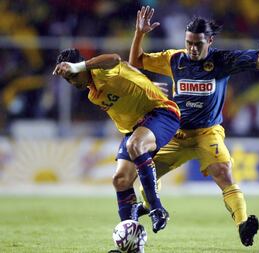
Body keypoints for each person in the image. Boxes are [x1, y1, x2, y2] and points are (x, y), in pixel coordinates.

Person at [129, 4, 259, 247]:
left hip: (207, 133)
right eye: (188, 42)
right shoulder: (175, 59)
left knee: (223, 172)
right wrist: (140, 33)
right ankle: (149, 205)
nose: (192, 48)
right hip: (175, 132)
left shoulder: (223, 60)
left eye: (198, 44)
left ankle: (244, 224)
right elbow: (137, 61)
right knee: (145, 174)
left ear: (210, 40)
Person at [52, 48, 181, 234]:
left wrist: (78, 66)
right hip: (136, 128)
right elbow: (126, 67)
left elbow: (115, 59)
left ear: (81, 66)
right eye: (68, 79)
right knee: (120, 180)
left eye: (73, 75)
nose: (71, 81)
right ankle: (131, 239)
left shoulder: (102, 71)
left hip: (161, 112)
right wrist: (146, 82)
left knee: (135, 145)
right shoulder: (93, 95)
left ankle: (156, 209)